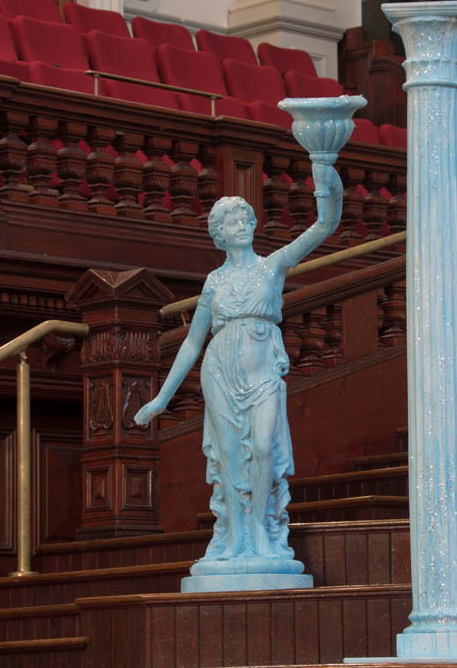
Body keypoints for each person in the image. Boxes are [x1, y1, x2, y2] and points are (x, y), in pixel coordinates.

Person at [135, 163, 343, 566]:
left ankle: (261, 533)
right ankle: (235, 539)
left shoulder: (273, 265)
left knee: (263, 447)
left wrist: (327, 180)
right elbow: (192, 342)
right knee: (229, 455)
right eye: (233, 222)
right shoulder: (214, 282)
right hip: (220, 372)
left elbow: (324, 226)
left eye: (246, 219)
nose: (243, 225)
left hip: (263, 372)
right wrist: (161, 398)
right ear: (220, 234)